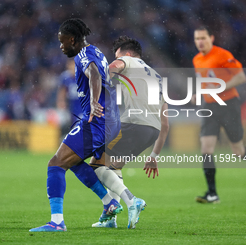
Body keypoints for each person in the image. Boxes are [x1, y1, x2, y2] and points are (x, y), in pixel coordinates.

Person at [29, 18, 122, 232]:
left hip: (97, 122)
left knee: (55, 164)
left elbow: (95, 75)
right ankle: (109, 202)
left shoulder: (83, 56)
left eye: (62, 42)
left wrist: (93, 101)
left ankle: (57, 222)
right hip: (109, 121)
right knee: (72, 161)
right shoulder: (96, 51)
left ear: (72, 39)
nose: (61, 47)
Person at [90, 36, 169, 228]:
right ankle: (110, 219)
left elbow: (108, 69)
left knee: (95, 164)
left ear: (126, 53)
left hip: (133, 123)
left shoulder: (127, 60)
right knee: (115, 166)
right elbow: (165, 123)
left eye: (116, 55)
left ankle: (132, 201)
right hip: (151, 130)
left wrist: (96, 81)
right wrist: (154, 155)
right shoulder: (157, 77)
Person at [192, 26, 246, 204]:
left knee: (238, 151)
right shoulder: (197, 59)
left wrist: (220, 87)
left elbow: (241, 77)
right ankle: (212, 194)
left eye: (203, 38)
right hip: (209, 106)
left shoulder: (222, 55)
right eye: (197, 39)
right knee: (206, 148)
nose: (200, 42)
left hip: (228, 105)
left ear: (211, 38)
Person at [56, 59, 83, 138]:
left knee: (80, 124)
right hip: (71, 105)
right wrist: (61, 102)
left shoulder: (84, 76)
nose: (72, 68)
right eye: (70, 66)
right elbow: (62, 91)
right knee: (68, 123)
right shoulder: (66, 77)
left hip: (82, 105)